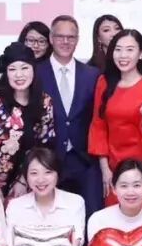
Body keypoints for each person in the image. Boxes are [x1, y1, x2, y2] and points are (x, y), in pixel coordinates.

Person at [0, 42, 55, 203]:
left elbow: (42, 146)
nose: (19, 75)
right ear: (6, 73)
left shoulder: (44, 102)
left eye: (24, 68)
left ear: (33, 70)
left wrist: (23, 181)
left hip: (26, 184)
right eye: (12, 69)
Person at [89, 29, 142, 209]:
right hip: (114, 169)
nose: (123, 55)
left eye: (130, 49)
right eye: (118, 49)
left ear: (141, 54)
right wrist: (105, 169)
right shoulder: (104, 83)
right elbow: (98, 126)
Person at [37, 15, 103, 216]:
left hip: (85, 161)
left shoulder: (92, 74)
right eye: (60, 36)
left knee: (92, 217)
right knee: (53, 218)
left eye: (71, 37)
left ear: (77, 39)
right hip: (49, 161)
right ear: (51, 38)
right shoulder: (36, 73)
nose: (65, 41)